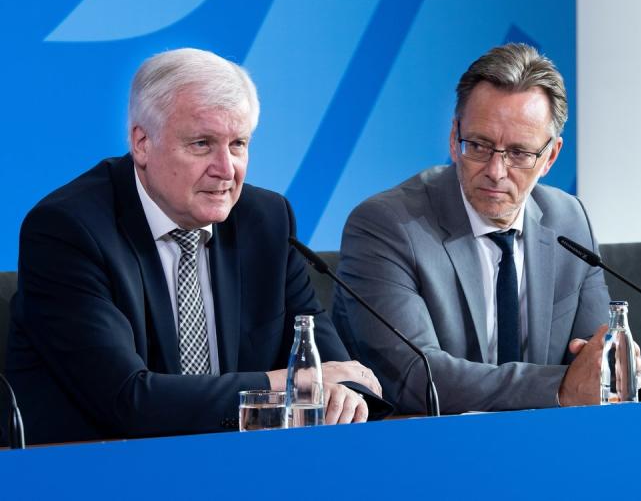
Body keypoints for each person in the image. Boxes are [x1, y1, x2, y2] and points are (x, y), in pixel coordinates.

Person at [5, 48, 385, 444]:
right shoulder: (70, 230)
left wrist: (345, 393)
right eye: (202, 144)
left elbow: (335, 368)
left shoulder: (266, 220)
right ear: (142, 143)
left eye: (238, 144)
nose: (226, 170)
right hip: (101, 472)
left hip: (246, 467)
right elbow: (129, 401)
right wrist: (285, 384)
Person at [333, 43, 641, 414]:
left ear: (550, 156)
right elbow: (418, 378)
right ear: (454, 137)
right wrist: (561, 388)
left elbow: (595, 365)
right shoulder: (387, 225)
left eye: (519, 153)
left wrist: (613, 371)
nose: (496, 171)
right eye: (478, 145)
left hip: (549, 450)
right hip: (430, 452)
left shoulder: (570, 221)